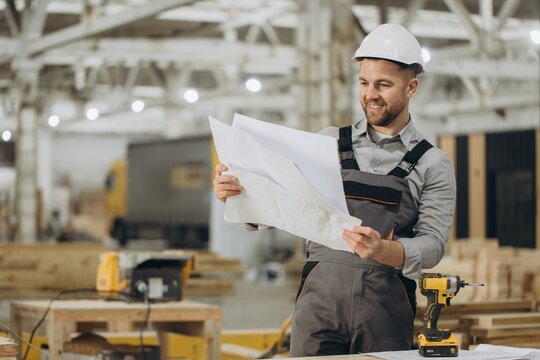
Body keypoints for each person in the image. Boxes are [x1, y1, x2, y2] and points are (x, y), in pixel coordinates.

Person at [213, 23, 456, 356]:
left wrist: (384, 252)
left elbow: (433, 245)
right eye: (364, 83)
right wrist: (240, 194)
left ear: (411, 87)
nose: (370, 94)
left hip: (384, 312)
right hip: (319, 304)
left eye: (384, 85)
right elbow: (285, 203)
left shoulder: (433, 163)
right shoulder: (326, 143)